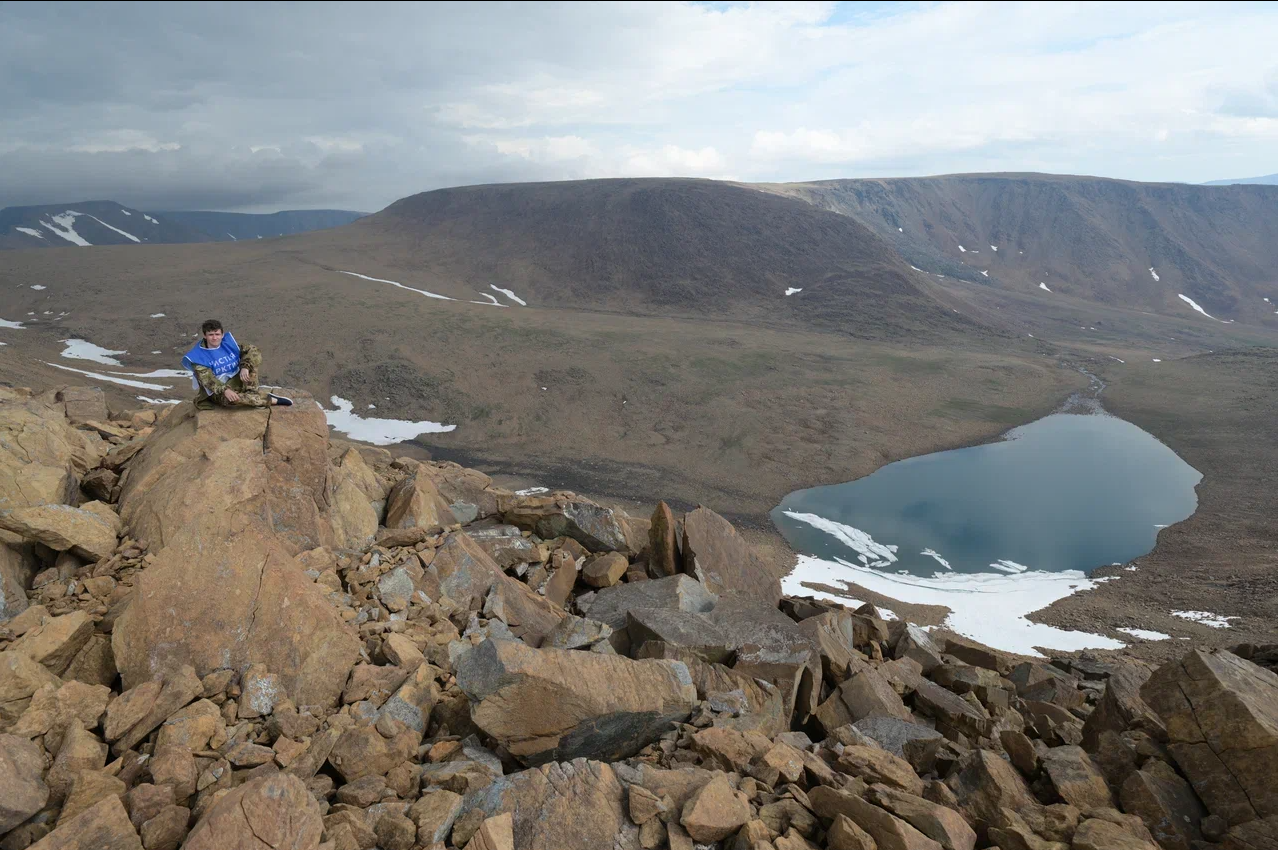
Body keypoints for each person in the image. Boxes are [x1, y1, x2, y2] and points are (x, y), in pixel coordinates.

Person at [182, 319, 292, 409]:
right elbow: (208, 380)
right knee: (230, 401)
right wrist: (225, 390)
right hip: (218, 390)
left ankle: (252, 394)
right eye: (211, 335)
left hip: (237, 379)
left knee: (250, 363)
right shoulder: (198, 357)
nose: (215, 338)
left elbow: (253, 350)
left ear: (222, 334)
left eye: (217, 334)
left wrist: (245, 366)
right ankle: (269, 399)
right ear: (205, 336)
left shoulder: (228, 345)